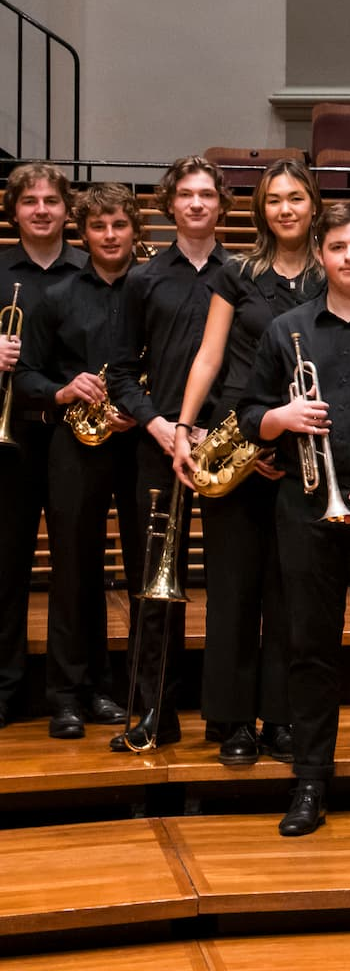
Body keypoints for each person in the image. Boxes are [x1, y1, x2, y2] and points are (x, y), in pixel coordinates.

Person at [238, 201, 350, 837]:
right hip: (306, 510)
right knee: (308, 649)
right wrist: (278, 421)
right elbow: (249, 410)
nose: (349, 258)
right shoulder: (286, 330)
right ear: (321, 255)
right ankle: (310, 780)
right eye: (337, 247)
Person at [170, 158, 325, 767]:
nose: (285, 209)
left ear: (312, 203)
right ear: (261, 210)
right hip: (238, 439)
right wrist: (185, 427)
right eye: (273, 200)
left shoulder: (332, 271)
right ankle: (232, 720)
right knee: (233, 588)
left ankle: (283, 716)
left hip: (305, 447)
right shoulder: (238, 274)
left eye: (295, 197)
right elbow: (209, 359)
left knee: (289, 592)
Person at [108, 156, 236, 750]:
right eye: (185, 194)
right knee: (153, 585)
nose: (196, 204)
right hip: (159, 446)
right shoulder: (143, 279)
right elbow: (123, 373)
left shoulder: (239, 275)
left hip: (226, 449)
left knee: (234, 584)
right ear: (170, 204)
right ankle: (154, 710)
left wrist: (218, 431)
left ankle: (229, 713)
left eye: (207, 194)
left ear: (220, 204)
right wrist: (160, 425)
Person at [17, 183, 141, 738]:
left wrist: (145, 406)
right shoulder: (58, 296)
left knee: (143, 569)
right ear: (83, 233)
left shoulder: (154, 289)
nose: (109, 236)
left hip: (140, 441)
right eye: (98, 227)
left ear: (134, 228)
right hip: (77, 442)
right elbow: (26, 376)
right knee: (74, 568)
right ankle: (67, 694)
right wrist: (63, 391)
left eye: (119, 225)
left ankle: (123, 690)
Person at [0, 163, 87, 728]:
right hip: (10, 437)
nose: (40, 209)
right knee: (5, 569)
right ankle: (5, 691)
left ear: (66, 209)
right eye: (29, 200)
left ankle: (69, 695)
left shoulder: (90, 268)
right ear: (14, 210)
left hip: (75, 437)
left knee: (74, 570)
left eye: (51, 200)